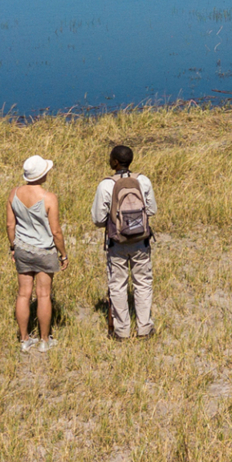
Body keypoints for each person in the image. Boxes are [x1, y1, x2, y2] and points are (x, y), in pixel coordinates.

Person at [91, 144, 158, 340]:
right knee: (143, 283)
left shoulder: (105, 185)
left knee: (118, 285)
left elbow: (97, 219)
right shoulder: (143, 180)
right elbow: (151, 210)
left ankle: (121, 331)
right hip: (141, 241)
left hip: (117, 242)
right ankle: (144, 328)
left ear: (114, 162)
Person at [8, 155, 68, 353]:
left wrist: (13, 247)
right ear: (42, 174)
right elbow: (56, 231)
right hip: (44, 250)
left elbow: (10, 224)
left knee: (23, 294)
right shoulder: (49, 197)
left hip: (23, 248)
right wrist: (64, 254)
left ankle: (24, 339)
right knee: (43, 295)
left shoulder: (14, 193)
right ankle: (44, 340)